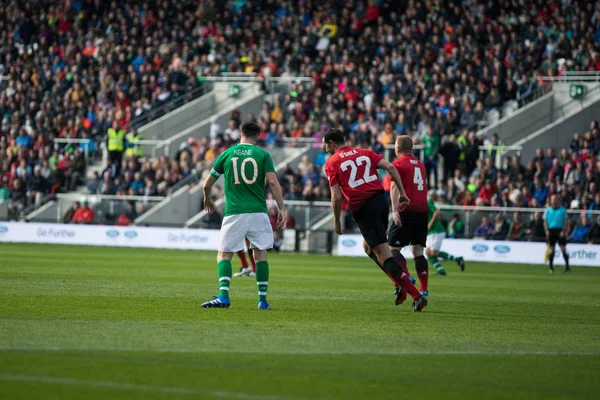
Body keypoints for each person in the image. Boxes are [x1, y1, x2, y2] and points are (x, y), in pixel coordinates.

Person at [323, 129, 427, 312]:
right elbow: (391, 168)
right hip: (380, 203)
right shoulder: (365, 152)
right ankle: (399, 281)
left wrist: (337, 221)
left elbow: (336, 197)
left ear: (332, 143)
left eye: (326, 145)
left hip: (363, 207)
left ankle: (415, 294)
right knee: (368, 247)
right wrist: (403, 193)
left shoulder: (332, 162)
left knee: (384, 253)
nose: (325, 149)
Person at [201, 122, 287, 309]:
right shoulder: (263, 154)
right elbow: (272, 181)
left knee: (224, 254)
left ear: (240, 134)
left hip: (235, 212)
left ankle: (224, 296)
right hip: (258, 211)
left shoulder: (226, 154)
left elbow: (206, 184)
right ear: (257, 137)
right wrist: (281, 208)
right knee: (261, 255)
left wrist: (207, 198)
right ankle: (262, 301)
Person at [385, 136, 437, 298]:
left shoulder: (398, 164)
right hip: (422, 210)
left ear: (398, 148)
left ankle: (405, 277)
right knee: (418, 251)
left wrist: (395, 211)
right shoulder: (420, 164)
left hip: (406, 209)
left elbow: (394, 187)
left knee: (392, 249)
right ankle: (424, 288)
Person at [425, 192, 465, 277]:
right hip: (430, 232)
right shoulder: (424, 203)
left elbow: (437, 213)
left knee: (434, 253)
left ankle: (458, 259)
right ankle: (441, 270)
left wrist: (430, 224)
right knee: (428, 253)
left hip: (436, 231)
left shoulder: (428, 203)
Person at [544, 194, 570, 274]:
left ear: (558, 200)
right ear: (551, 201)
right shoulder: (548, 210)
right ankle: (551, 267)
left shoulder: (562, 210)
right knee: (551, 250)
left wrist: (564, 231)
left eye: (555, 199)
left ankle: (567, 267)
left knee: (563, 249)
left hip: (560, 230)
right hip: (551, 230)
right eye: (553, 199)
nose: (554, 201)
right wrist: (546, 230)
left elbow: (566, 221)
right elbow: (545, 221)